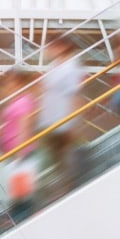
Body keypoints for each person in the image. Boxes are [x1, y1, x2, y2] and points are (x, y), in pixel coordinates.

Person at [38, 37, 86, 192]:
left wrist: (73, 122)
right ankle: (65, 186)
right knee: (56, 155)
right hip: (50, 119)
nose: (47, 50)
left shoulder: (71, 67)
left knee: (65, 154)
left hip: (63, 119)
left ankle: (71, 187)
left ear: (61, 47)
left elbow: (75, 95)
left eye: (51, 46)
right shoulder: (54, 65)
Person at [0, 69, 38, 221]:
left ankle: (22, 222)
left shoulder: (24, 101)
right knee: (17, 192)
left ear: (19, 82)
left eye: (9, 81)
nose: (6, 85)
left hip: (21, 154)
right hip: (15, 154)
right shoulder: (17, 99)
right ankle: (18, 219)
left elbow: (24, 126)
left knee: (21, 195)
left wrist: (20, 154)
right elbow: (10, 122)